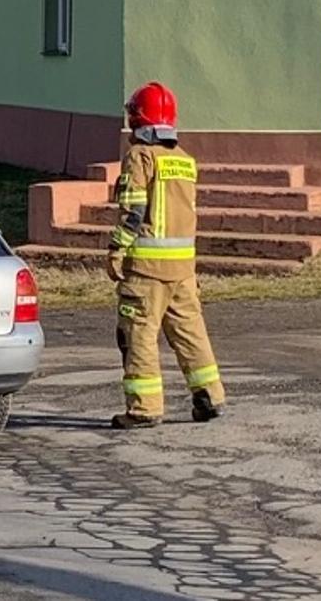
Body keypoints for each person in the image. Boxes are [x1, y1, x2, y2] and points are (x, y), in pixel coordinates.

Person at [107, 82, 226, 430]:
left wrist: (117, 249)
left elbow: (133, 210)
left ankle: (144, 408)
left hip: (147, 271)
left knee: (138, 334)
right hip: (183, 270)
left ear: (137, 118)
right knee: (190, 333)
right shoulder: (185, 160)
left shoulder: (140, 157)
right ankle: (210, 396)